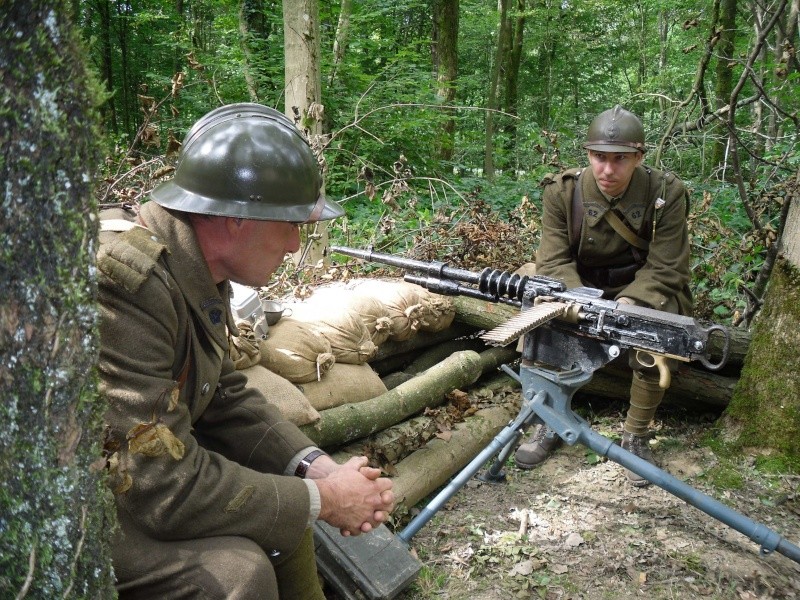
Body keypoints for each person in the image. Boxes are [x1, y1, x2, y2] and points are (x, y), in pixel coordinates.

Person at [97, 103, 395, 599]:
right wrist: (322, 499)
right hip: (54, 499)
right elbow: (162, 485)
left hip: (124, 469)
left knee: (279, 501)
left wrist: (312, 468)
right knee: (238, 574)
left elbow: (221, 394)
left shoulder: (194, 266)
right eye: (290, 224)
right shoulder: (125, 284)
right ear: (237, 218)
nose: (296, 245)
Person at [514, 105, 692, 486]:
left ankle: (636, 433)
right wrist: (579, 302)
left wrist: (628, 305)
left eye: (620, 159)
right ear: (588, 155)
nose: (607, 170)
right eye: (599, 157)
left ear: (639, 158)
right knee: (544, 303)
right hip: (579, 283)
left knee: (656, 324)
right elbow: (553, 259)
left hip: (641, 287)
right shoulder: (562, 192)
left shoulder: (666, 194)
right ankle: (548, 420)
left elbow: (667, 266)